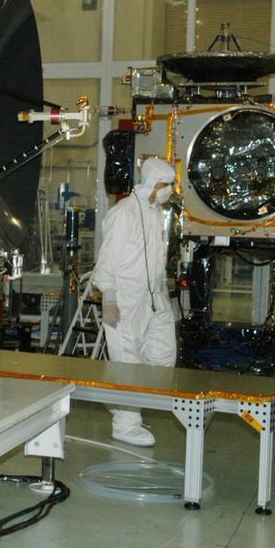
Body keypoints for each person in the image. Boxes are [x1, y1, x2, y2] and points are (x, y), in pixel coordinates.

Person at [93, 157, 177, 446]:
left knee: (163, 355)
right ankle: (125, 424)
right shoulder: (124, 213)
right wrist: (110, 299)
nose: (170, 191)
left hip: (152, 297)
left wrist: (162, 290)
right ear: (153, 184)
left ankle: (119, 398)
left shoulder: (154, 213)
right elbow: (106, 260)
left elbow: (155, 258)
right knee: (127, 361)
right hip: (125, 298)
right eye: (167, 185)